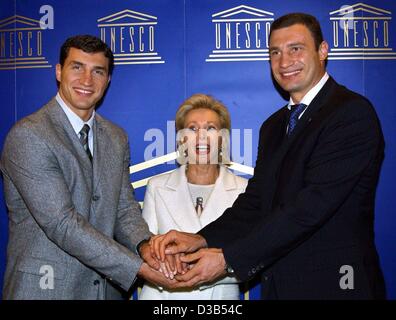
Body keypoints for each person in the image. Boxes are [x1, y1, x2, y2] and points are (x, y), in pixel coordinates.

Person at [151, 13, 386, 299]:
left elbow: (309, 208)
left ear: (322, 51)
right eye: (275, 52)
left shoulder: (350, 113)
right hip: (281, 286)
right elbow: (255, 203)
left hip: (337, 285)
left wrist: (227, 259)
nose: (284, 62)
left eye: (295, 49)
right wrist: (201, 239)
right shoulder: (273, 126)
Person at [0, 35, 175, 300]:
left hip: (104, 292)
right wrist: (138, 268)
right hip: (45, 291)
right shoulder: (29, 135)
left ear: (108, 81)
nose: (86, 80)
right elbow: (62, 224)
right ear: (59, 72)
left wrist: (145, 246)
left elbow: (124, 209)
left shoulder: (117, 137)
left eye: (98, 71)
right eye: (77, 67)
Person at [139, 94, 247, 300]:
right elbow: (145, 249)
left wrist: (216, 267)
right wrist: (166, 263)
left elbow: (250, 258)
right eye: (193, 128)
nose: (201, 136)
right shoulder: (157, 186)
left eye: (211, 128)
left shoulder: (245, 191)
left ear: (223, 139)